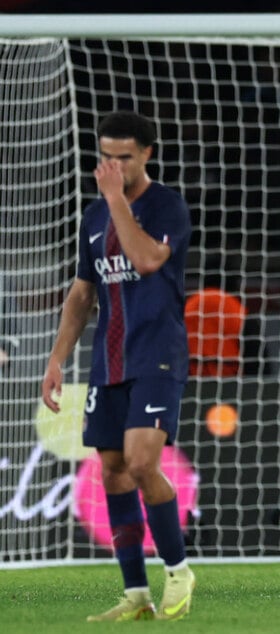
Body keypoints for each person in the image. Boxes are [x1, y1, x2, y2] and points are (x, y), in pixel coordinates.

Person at [41, 111, 196, 620]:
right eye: (107, 156)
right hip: (108, 359)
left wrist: (114, 200)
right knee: (110, 471)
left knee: (141, 462)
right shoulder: (92, 216)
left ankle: (178, 570)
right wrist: (57, 359)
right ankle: (135, 593)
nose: (114, 166)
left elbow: (148, 258)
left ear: (147, 154)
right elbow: (83, 292)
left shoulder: (166, 205)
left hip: (158, 354)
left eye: (124, 157)